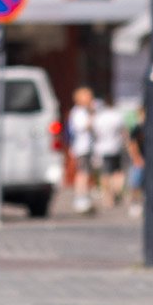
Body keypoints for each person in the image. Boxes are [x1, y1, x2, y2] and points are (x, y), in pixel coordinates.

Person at [89, 98, 126, 210]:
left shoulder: (99, 118)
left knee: (105, 174)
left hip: (103, 148)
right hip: (116, 147)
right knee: (117, 172)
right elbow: (124, 131)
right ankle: (116, 192)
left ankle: (107, 198)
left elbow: (93, 131)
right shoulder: (117, 116)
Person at [66, 86, 96, 214]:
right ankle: (80, 198)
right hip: (81, 147)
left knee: (85, 172)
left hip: (86, 146)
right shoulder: (78, 112)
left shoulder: (83, 111)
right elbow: (83, 127)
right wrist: (92, 117)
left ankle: (84, 197)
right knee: (82, 173)